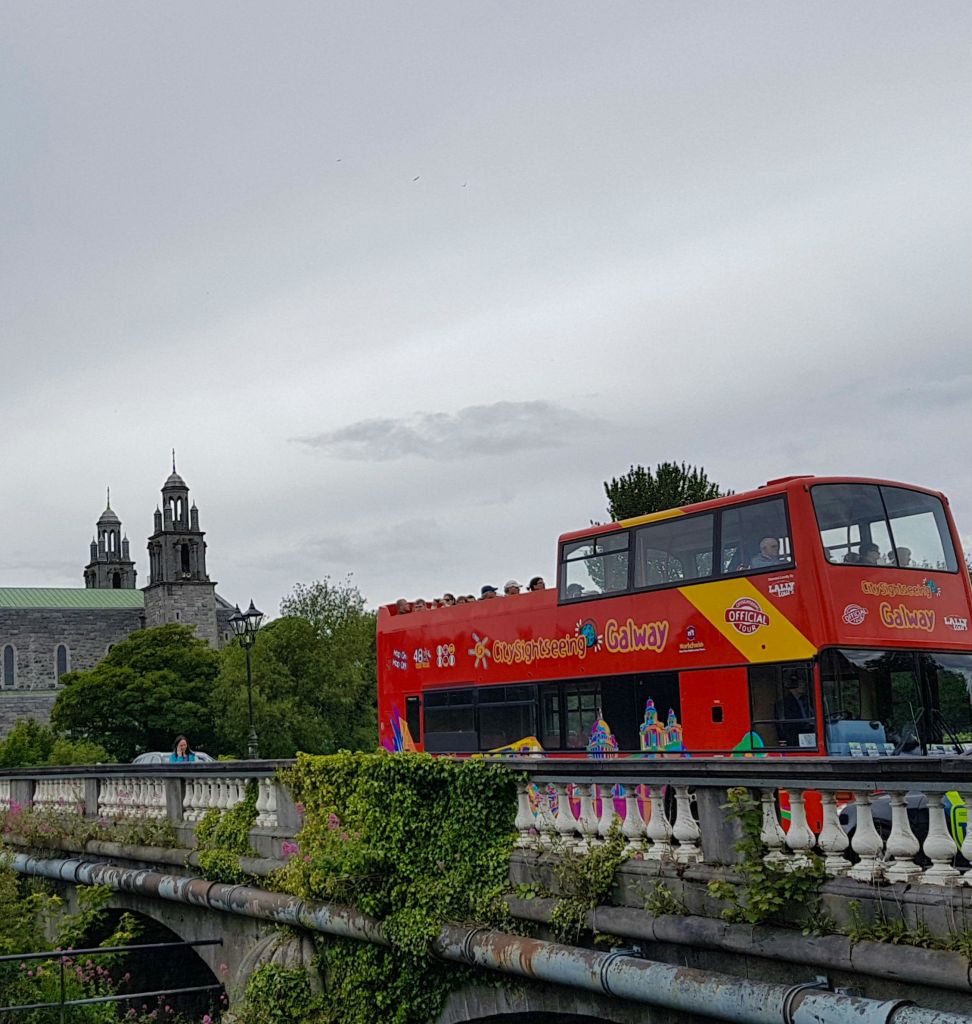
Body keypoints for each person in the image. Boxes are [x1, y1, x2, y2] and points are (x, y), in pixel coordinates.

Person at [775, 673, 813, 747]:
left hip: (809, 735)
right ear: (793, 685)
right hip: (795, 739)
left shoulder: (807, 700)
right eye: (801, 683)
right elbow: (786, 726)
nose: (804, 686)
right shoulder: (785, 704)